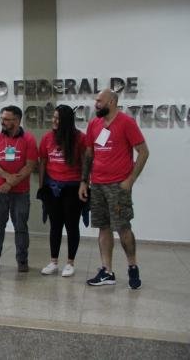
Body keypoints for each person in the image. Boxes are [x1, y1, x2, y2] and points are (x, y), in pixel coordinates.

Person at [79, 89, 149, 289]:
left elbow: (143, 152)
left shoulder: (127, 123)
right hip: (97, 185)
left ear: (112, 101)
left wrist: (131, 180)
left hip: (118, 186)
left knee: (123, 227)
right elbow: (89, 154)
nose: (96, 104)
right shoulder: (94, 124)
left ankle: (132, 266)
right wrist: (84, 181)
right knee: (103, 227)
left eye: (99, 101)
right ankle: (107, 271)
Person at [0, 105, 38, 272]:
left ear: (17, 120)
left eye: (7, 119)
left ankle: (22, 261)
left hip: (20, 193)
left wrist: (10, 183)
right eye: (2, 118)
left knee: (21, 227)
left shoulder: (29, 140)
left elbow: (30, 166)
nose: (3, 122)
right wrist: (6, 176)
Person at [38, 105, 86, 277]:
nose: (55, 121)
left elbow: (86, 162)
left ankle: (70, 263)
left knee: (72, 226)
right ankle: (53, 262)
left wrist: (85, 183)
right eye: (54, 117)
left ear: (67, 121)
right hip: (52, 188)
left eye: (58, 118)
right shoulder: (47, 138)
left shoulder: (80, 138)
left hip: (73, 188)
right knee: (55, 226)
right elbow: (43, 162)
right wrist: (42, 186)